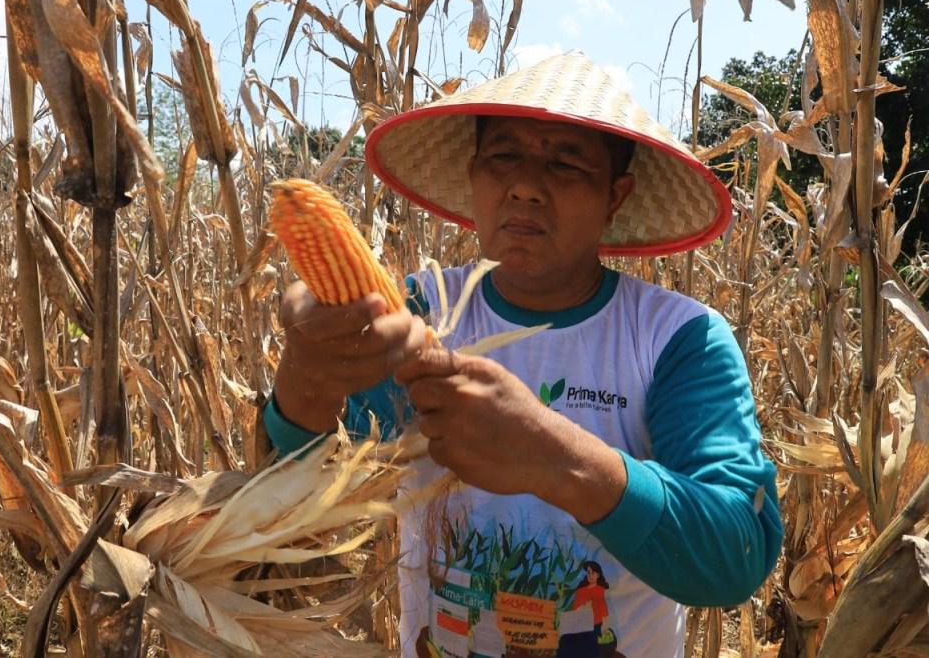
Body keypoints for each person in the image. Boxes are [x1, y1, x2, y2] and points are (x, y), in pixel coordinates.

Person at [264, 52, 783, 657]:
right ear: (474, 173)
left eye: (565, 163)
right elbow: (296, 499)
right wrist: (305, 380)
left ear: (616, 196)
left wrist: (553, 455)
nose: (525, 187)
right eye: (503, 156)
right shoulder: (413, 314)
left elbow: (734, 555)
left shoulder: (677, 340)